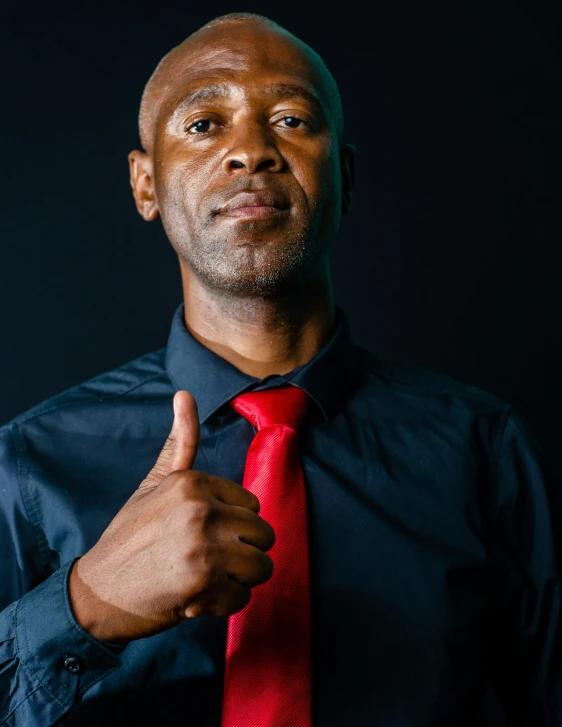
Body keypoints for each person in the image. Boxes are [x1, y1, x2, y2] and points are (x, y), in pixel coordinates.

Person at [0, 11, 560, 727]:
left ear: (345, 176)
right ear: (145, 184)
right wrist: (86, 606)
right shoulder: (28, 463)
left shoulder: (485, 449)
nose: (252, 151)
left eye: (292, 119)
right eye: (204, 123)